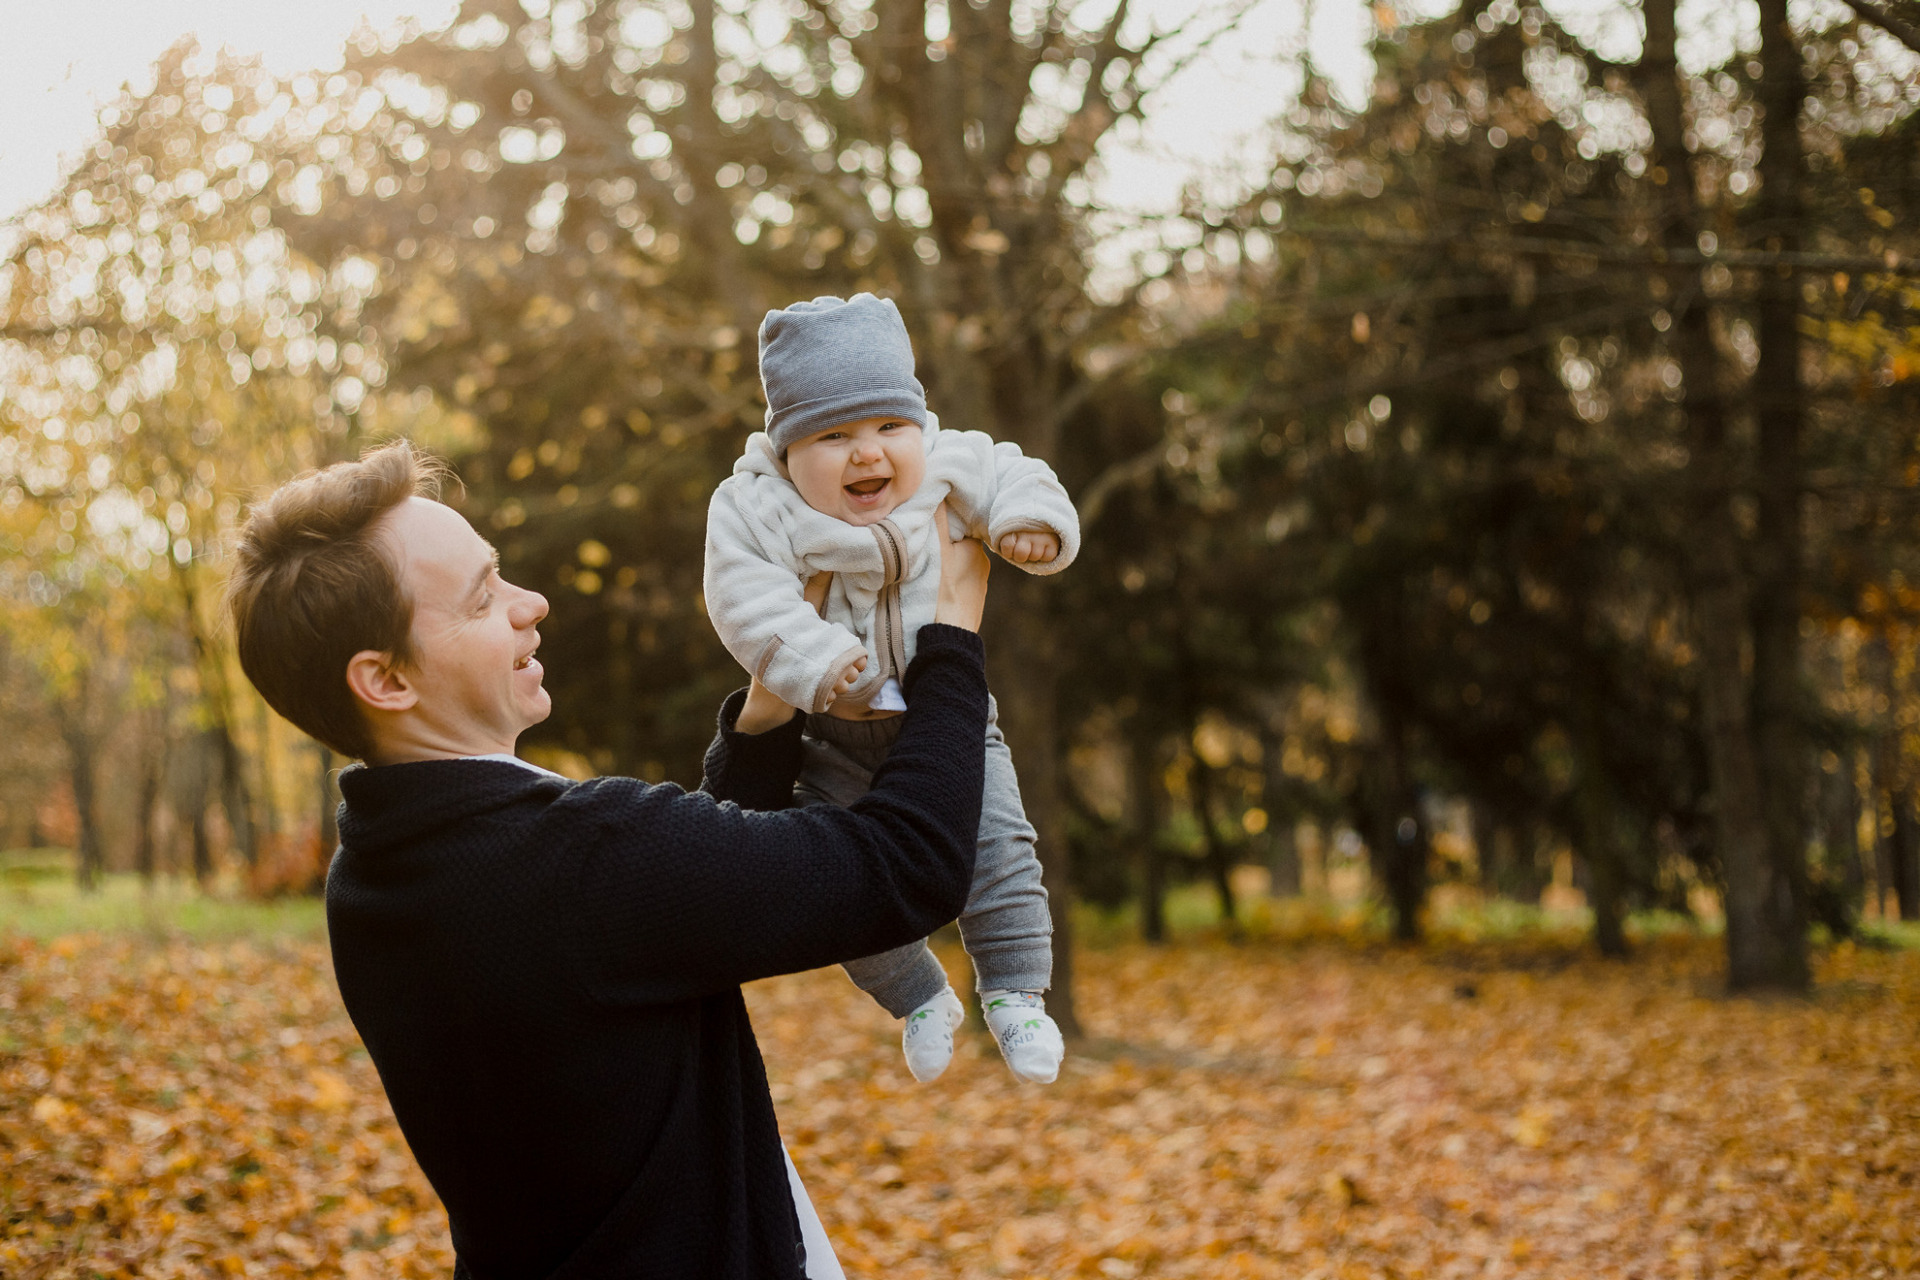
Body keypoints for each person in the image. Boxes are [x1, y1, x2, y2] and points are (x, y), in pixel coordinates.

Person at [224, 438, 995, 1280]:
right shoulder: (576, 857)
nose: (531, 603)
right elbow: (909, 862)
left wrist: (769, 714)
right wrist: (949, 636)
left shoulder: (374, 871)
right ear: (386, 680)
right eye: (482, 601)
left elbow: (671, 918)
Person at [704, 293, 1075, 1085]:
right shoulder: (755, 504)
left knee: (1000, 845)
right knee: (836, 882)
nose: (867, 454)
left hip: (949, 721)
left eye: (887, 428)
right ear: (787, 449)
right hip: (831, 733)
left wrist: (1028, 523)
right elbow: (740, 595)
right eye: (833, 436)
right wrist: (809, 657)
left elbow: (1019, 474)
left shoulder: (949, 461)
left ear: (919, 424)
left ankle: (1015, 993)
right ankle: (916, 994)